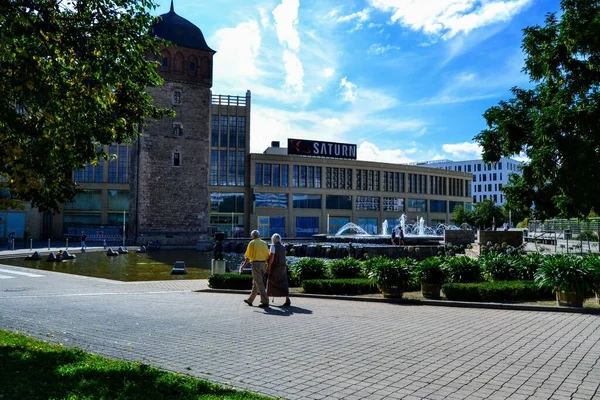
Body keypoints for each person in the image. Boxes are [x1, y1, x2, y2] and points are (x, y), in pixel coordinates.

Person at [241, 230, 270, 308]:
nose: (251, 237)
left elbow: (248, 257)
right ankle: (250, 300)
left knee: (259, 283)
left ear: (253, 236)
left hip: (255, 264)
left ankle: (265, 301)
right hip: (263, 264)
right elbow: (268, 256)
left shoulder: (252, 243)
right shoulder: (264, 243)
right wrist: (268, 266)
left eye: (251, 235)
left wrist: (243, 266)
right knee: (256, 282)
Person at [266, 233, 291, 307]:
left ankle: (267, 299)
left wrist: (269, 266)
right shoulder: (283, 247)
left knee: (270, 282)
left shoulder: (273, 246)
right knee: (283, 283)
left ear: (274, 239)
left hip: (275, 268)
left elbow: (272, 258)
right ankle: (287, 299)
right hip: (282, 268)